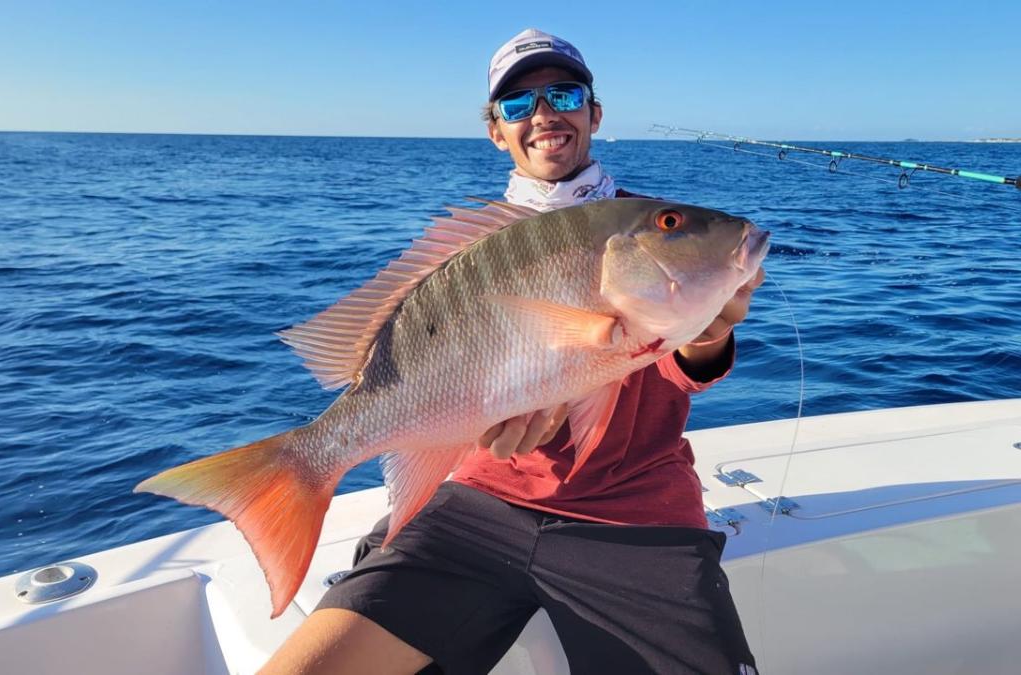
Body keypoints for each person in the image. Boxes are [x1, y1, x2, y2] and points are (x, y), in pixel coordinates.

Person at [263, 28, 763, 675]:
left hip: (635, 515)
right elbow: (463, 368)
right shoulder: (473, 252)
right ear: (497, 130)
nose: (545, 114)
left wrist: (708, 331)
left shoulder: (638, 223)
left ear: (594, 113)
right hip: (476, 503)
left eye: (563, 93)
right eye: (518, 104)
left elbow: (680, 360)